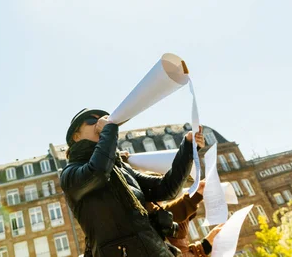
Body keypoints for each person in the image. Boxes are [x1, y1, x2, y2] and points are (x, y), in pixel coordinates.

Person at [61, 108, 205, 257]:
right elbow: (98, 172)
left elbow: (167, 188)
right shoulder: (70, 174)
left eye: (103, 119)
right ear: (76, 136)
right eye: (92, 120)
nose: (100, 123)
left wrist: (188, 147)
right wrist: (109, 131)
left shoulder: (121, 168)